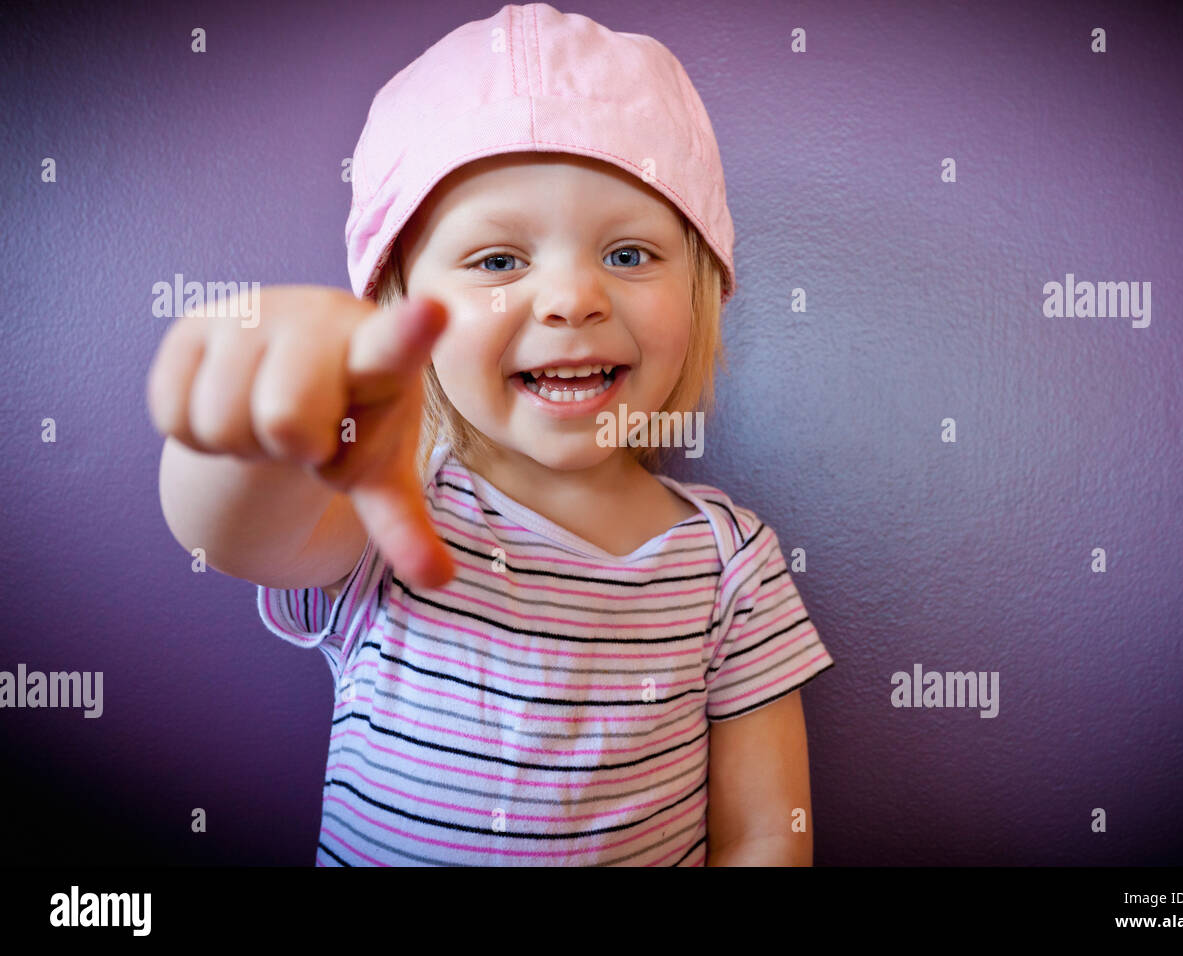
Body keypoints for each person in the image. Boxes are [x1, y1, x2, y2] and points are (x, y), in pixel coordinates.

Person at [148, 2, 834, 866]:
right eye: (499, 260)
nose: (572, 299)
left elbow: (769, 832)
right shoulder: (387, 510)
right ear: (399, 308)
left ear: (702, 292)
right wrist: (258, 424)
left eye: (628, 254)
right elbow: (236, 530)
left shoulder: (732, 563)